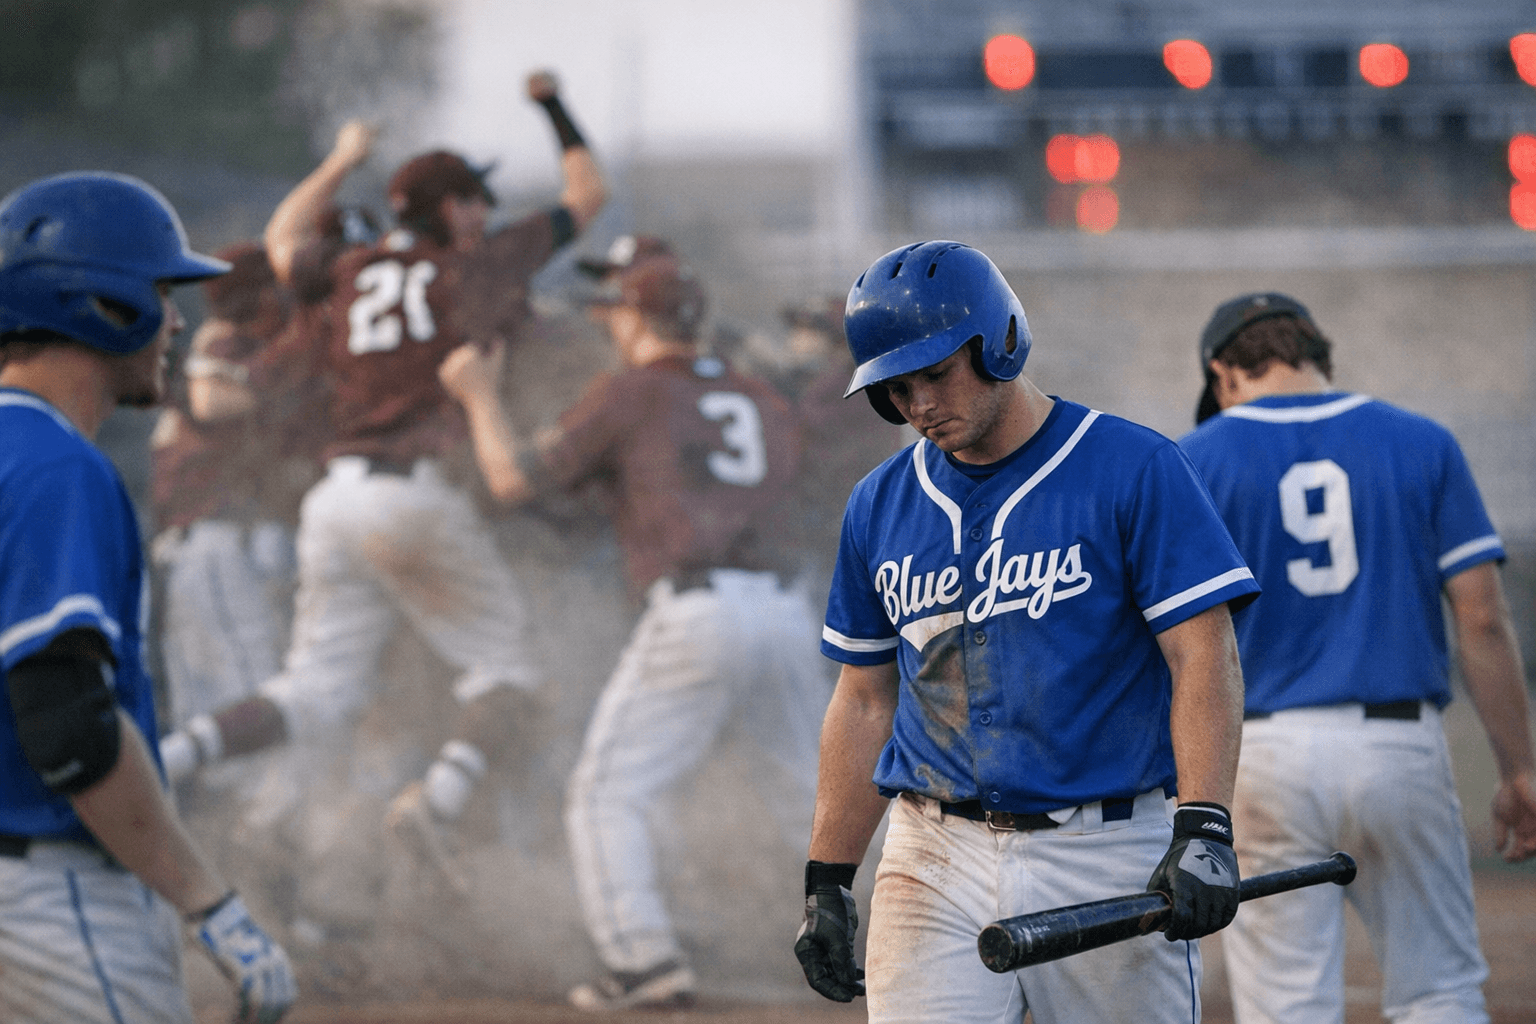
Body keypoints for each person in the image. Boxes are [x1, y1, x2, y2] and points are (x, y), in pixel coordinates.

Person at [158, 71, 608, 897]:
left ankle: (171, 755)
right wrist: (550, 105)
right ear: (446, 208)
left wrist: (341, 157)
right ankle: (437, 801)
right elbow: (590, 190)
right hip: (415, 495)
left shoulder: (345, 267)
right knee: (509, 675)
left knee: (312, 691)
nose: (483, 213)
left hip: (336, 501)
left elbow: (284, 229)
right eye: (471, 198)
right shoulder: (471, 267)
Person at [793, 240, 1261, 1024]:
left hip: (1106, 850)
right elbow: (866, 698)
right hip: (932, 852)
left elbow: (1202, 655)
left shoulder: (1133, 465)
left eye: (935, 373)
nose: (918, 405)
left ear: (998, 341)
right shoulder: (878, 503)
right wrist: (828, 878)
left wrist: (1205, 823)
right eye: (895, 389)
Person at [435, 245, 832, 1011]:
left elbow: (513, 480)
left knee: (604, 795)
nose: (607, 322)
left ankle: (642, 959)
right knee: (816, 802)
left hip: (698, 609)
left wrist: (479, 396)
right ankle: (899, 936)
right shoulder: (758, 394)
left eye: (614, 309)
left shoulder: (633, 389)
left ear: (637, 318)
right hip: (786, 609)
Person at [1177, 293, 1536, 1024]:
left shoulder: (1191, 460)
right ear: (1317, 354)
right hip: (1396, 743)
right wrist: (1520, 769)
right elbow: (1482, 618)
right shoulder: (1421, 440)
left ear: (1222, 371)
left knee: (1287, 1003)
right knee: (1438, 990)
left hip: (1262, 753)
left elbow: (1172, 642)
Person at [0, 172, 296, 1024]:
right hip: (55, 910)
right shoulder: (57, 467)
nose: (175, 321)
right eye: (162, 293)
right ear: (103, 303)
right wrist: (212, 905)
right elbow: (68, 728)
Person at [150, 242, 298, 739]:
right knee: (245, 705)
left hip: (206, 546)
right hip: (214, 542)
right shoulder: (226, 341)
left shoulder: (230, 342)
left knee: (210, 716)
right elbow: (210, 401)